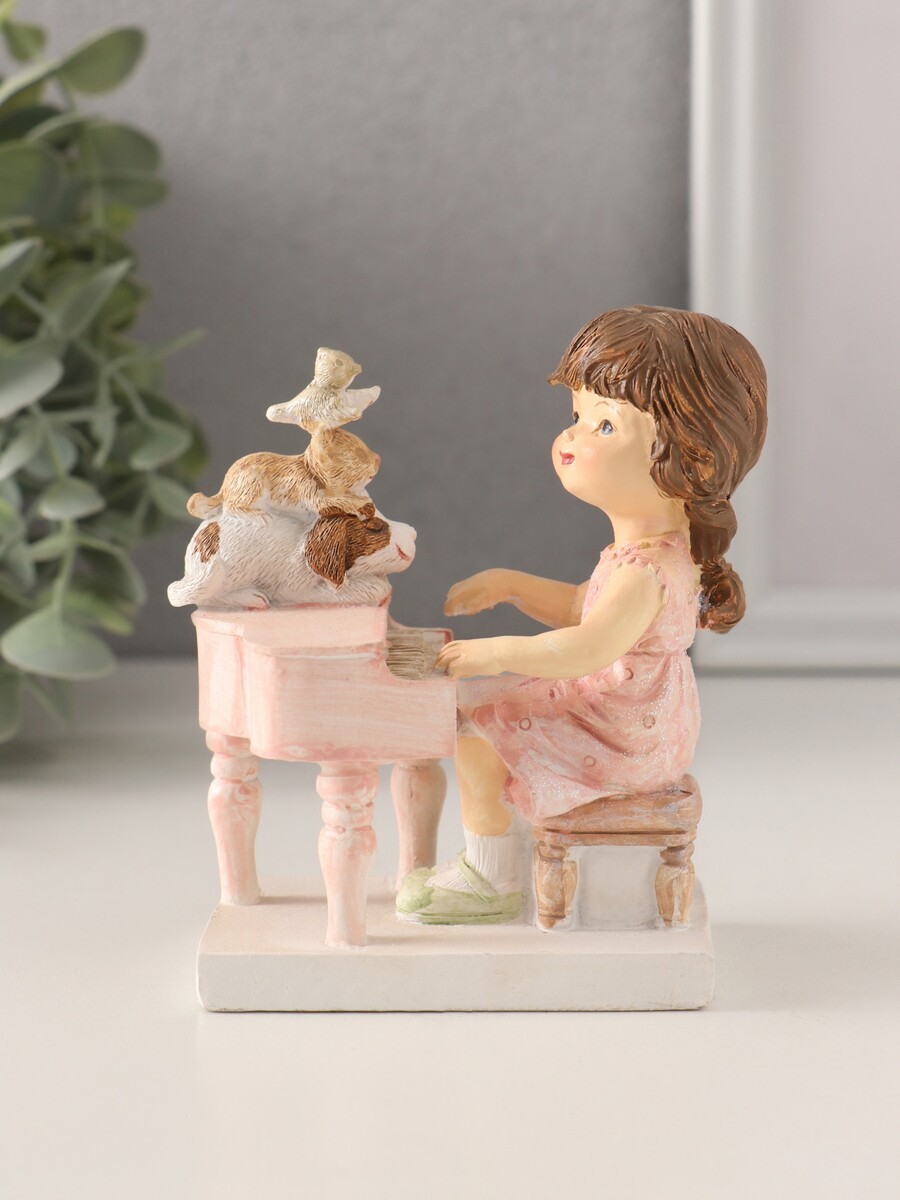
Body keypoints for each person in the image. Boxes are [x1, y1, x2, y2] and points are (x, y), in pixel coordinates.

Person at [397, 305, 767, 924]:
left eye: (604, 425)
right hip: (626, 715)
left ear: (692, 461)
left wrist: (493, 652)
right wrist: (511, 585)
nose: (571, 438)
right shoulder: (645, 556)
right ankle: (491, 856)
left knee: (478, 730)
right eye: (575, 417)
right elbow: (580, 607)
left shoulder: (646, 571)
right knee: (479, 705)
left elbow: (587, 647)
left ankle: (491, 876)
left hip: (624, 734)